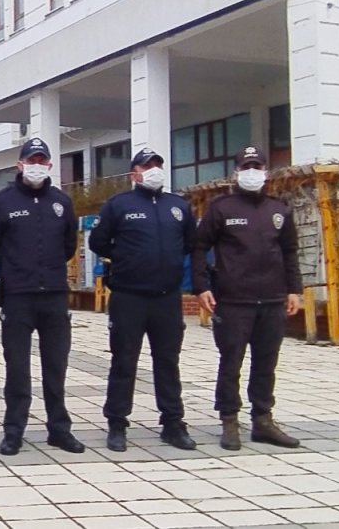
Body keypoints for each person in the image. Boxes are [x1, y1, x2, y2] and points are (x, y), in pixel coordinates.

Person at [191, 145, 303, 451]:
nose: (252, 172)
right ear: (236, 172)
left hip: (271, 300)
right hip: (232, 301)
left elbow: (290, 251)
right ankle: (229, 420)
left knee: (266, 362)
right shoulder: (221, 208)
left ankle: (263, 420)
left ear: (265, 172)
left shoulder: (279, 209)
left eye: (257, 167)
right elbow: (199, 247)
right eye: (246, 167)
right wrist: (201, 287)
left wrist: (295, 290)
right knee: (231, 362)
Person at [0, 137, 84, 456]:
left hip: (53, 295)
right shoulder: (3, 201)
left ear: (49, 165)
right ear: (20, 165)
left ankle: (59, 430)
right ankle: (14, 431)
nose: (36, 166)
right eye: (31, 160)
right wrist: (11, 271)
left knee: (56, 366)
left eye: (42, 160)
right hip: (18, 296)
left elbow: (69, 245)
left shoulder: (61, 202)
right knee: (17, 368)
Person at [89, 148, 197, 452]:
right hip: (129, 297)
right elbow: (98, 241)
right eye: (146, 166)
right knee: (124, 361)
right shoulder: (119, 205)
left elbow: (190, 242)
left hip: (167, 298)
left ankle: (173, 424)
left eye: (157, 165)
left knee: (168, 362)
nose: (153, 170)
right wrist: (124, 260)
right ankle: (117, 423)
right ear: (133, 173)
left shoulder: (178, 206)